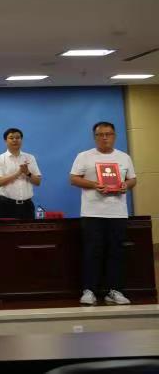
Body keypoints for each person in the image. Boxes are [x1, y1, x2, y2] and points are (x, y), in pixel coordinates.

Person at [70, 121, 137, 306]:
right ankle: (89, 290)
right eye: (100, 135)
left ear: (114, 136)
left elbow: (132, 179)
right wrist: (94, 185)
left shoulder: (124, 157)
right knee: (92, 251)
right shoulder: (84, 156)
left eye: (109, 134)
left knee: (116, 251)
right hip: (92, 212)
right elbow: (73, 179)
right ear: (95, 137)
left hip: (118, 212)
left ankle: (114, 291)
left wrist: (125, 185)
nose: (105, 138)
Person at [0, 128, 42, 220]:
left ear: (21, 140)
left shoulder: (30, 158)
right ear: (5, 141)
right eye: (11, 138)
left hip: (27, 206)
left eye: (18, 138)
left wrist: (27, 173)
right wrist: (18, 173)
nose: (15, 140)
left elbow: (38, 182)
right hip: (7, 205)